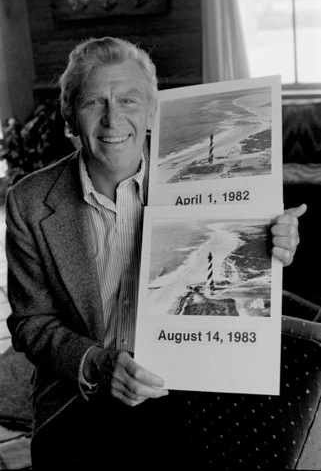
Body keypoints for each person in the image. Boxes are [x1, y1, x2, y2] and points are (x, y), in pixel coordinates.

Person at [5, 36, 307, 470]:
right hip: (81, 392)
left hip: (190, 386)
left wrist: (272, 244)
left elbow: (240, 272)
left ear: (152, 112)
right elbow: (30, 322)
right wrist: (96, 364)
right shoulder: (29, 202)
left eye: (129, 99)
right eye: (95, 102)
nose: (113, 120)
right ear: (71, 116)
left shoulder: (206, 179)